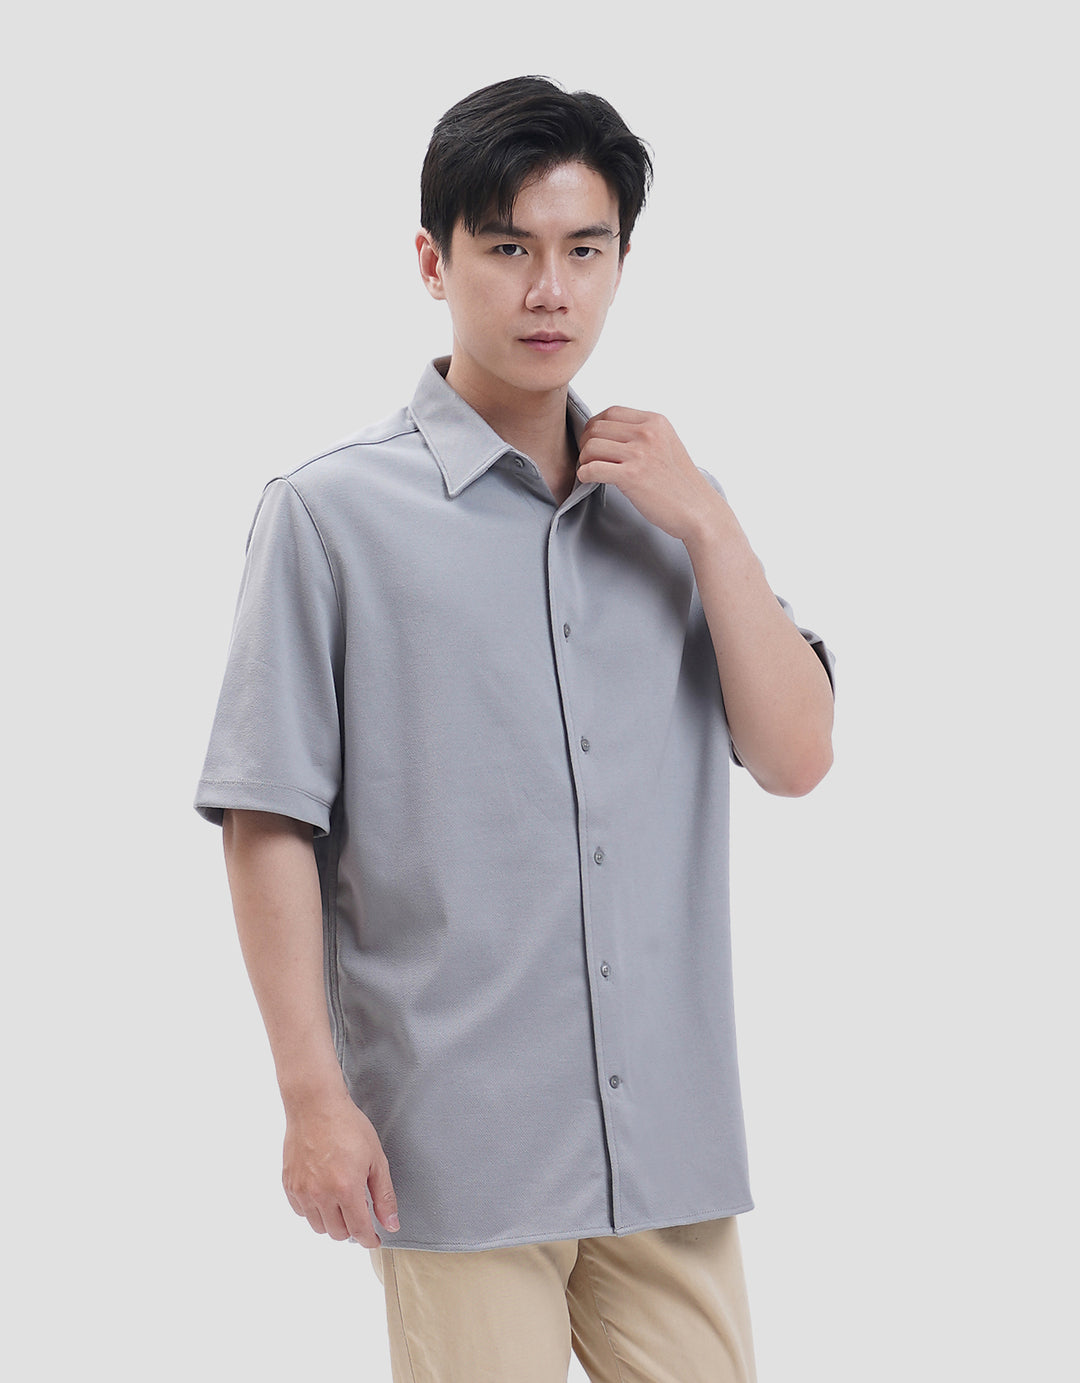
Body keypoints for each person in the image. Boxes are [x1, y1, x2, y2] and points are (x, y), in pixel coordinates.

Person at [196, 75, 834, 1383]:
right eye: (508, 249)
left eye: (584, 251)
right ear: (434, 262)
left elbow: (796, 757)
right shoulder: (329, 518)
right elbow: (268, 822)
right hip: (456, 1145)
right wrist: (312, 1098)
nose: (551, 291)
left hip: (668, 1146)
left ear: (621, 263)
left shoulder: (675, 511)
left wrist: (711, 526)